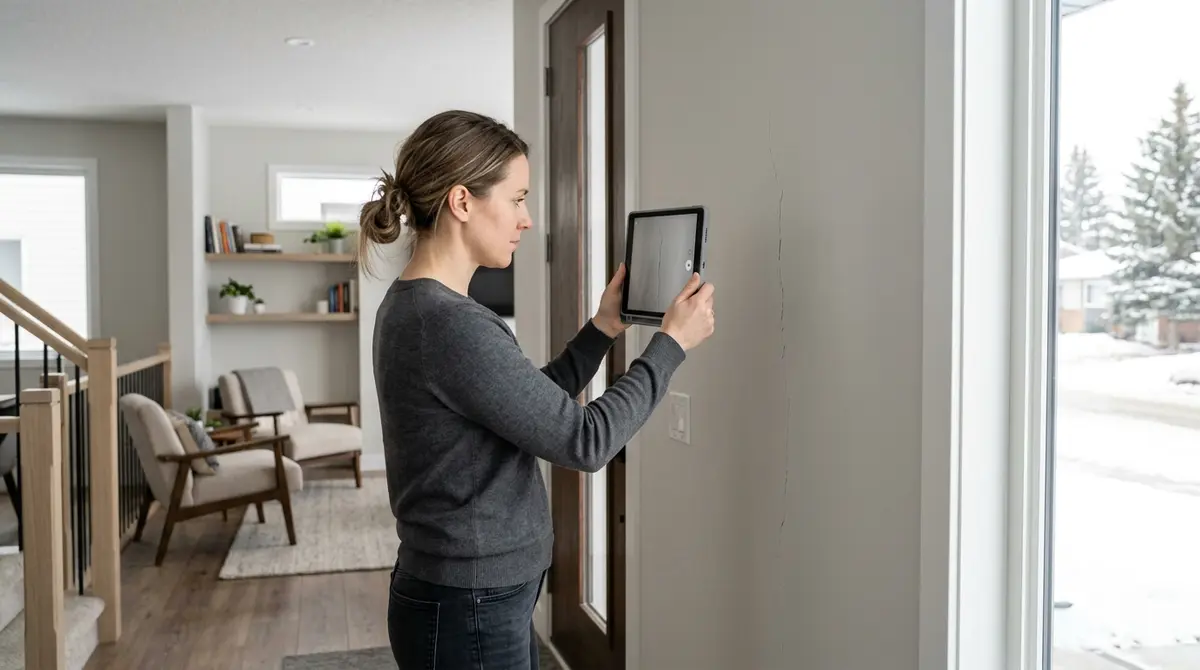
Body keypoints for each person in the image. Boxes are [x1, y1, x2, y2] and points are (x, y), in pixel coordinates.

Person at [358, 109, 716, 670]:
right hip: (468, 604)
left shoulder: (418, 307)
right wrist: (670, 345)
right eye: (518, 198)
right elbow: (584, 441)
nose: (527, 220)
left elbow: (523, 409)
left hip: (469, 597)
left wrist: (601, 331)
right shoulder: (449, 322)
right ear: (462, 202)